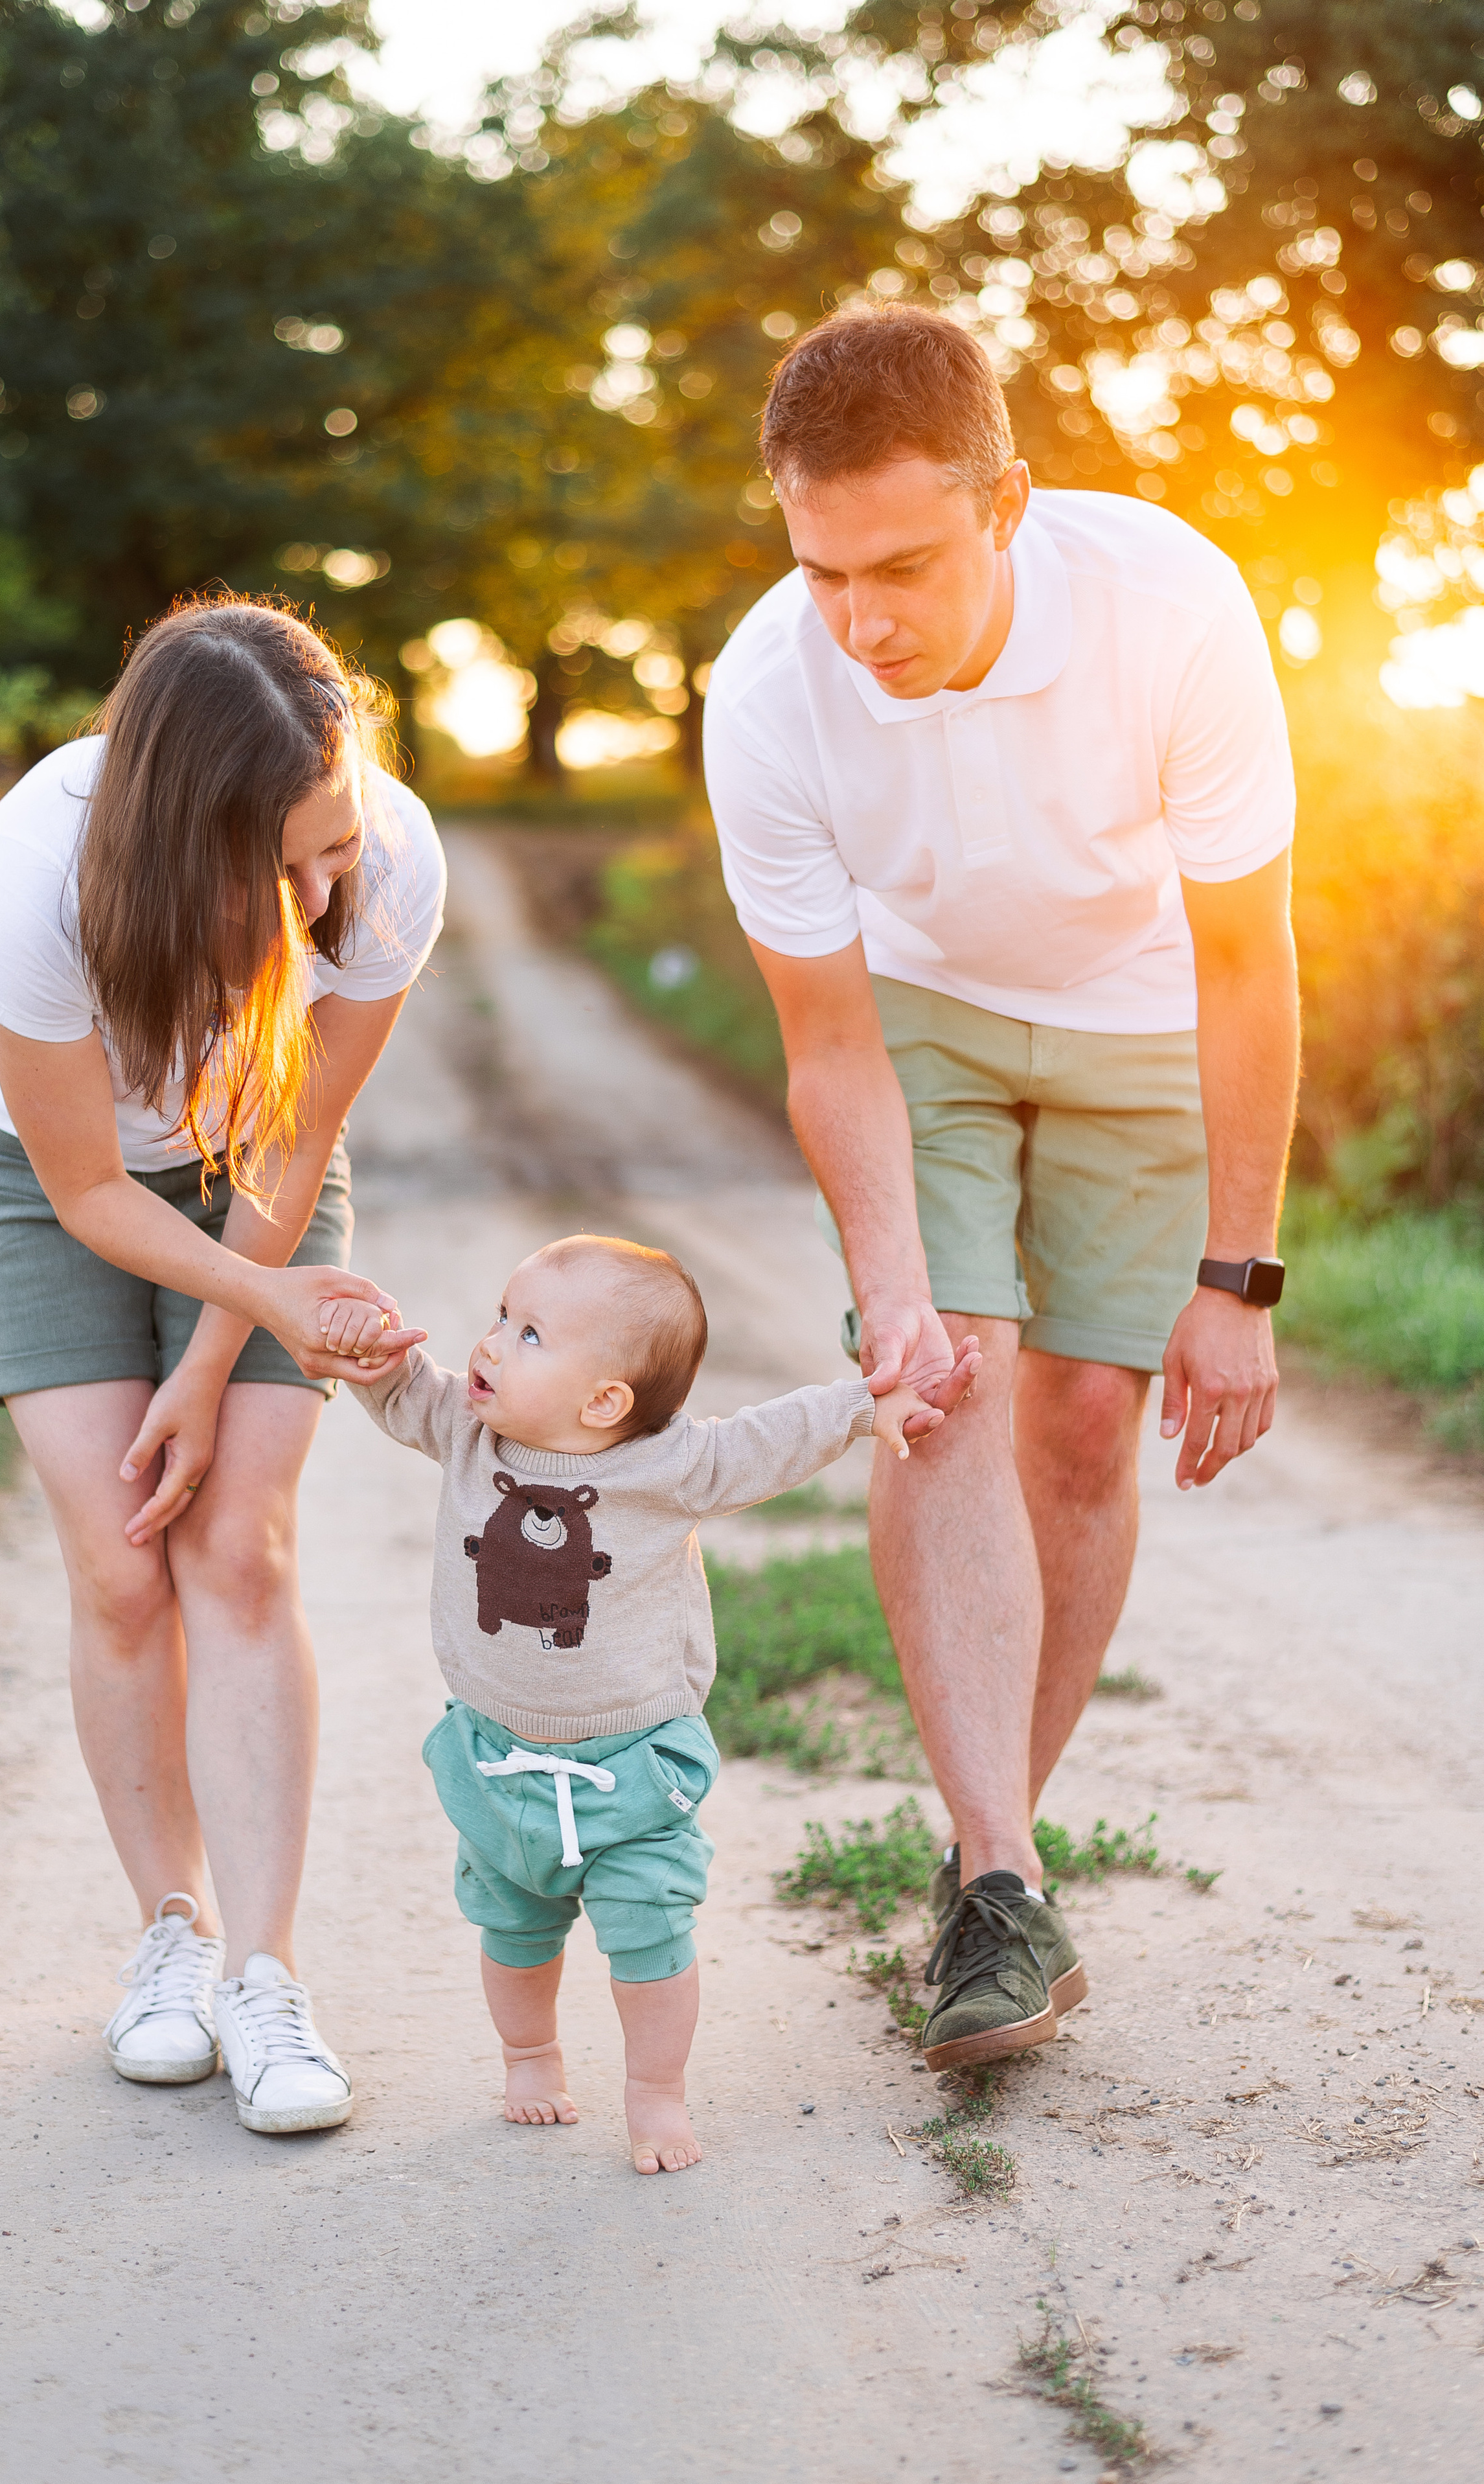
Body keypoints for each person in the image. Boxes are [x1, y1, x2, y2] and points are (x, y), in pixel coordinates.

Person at [703, 303, 1299, 2073]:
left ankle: (989, 1874)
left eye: (901, 567)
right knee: (949, 1377)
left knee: (1083, 1428)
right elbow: (826, 1041)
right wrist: (893, 1288)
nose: (860, 619)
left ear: (1008, 502)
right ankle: (997, 1875)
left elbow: (1254, 964)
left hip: (1143, 1017)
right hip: (925, 1019)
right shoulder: (768, 693)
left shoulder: (1173, 609)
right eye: (822, 572)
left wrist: (1241, 1276)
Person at [0, 595, 445, 2132]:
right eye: (274, 866)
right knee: (121, 1557)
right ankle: (171, 1934)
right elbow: (86, 1194)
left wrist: (219, 1354)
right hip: (32, 1175)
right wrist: (262, 1316)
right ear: (175, 834)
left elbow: (297, 1136)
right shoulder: (40, 873)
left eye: (330, 844)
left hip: (249, 1174)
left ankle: (265, 1980)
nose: (317, 892)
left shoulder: (390, 858)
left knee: (240, 1546)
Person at [320, 1234, 980, 2164]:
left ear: (604, 1400)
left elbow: (770, 1437)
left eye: (530, 1333)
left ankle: (656, 2092)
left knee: (651, 1933)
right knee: (511, 1928)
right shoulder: (465, 1430)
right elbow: (397, 1389)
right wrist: (367, 1349)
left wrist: (867, 1410)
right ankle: (530, 2056)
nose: (492, 1344)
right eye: (502, 1318)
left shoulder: (668, 1466)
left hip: (630, 1771)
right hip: (495, 1758)